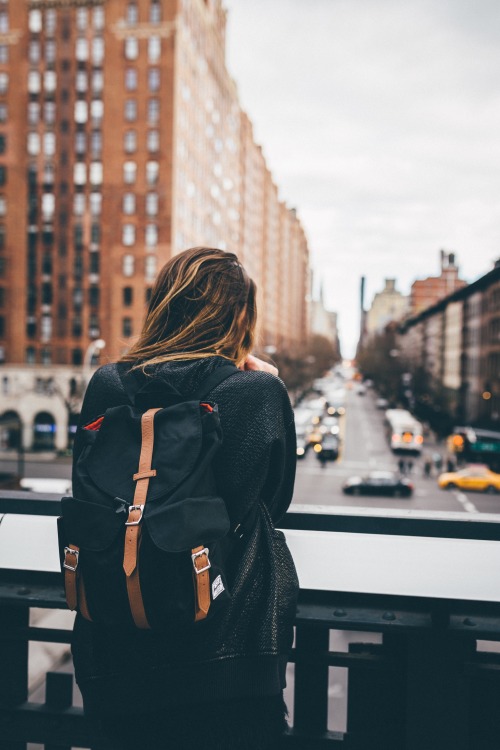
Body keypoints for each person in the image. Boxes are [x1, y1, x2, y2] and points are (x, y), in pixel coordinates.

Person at [70, 247, 299, 749]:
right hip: (226, 654)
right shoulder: (257, 392)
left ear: (163, 305)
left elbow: (92, 494)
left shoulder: (107, 384)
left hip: (116, 652)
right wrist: (269, 383)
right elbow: (274, 499)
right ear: (241, 315)